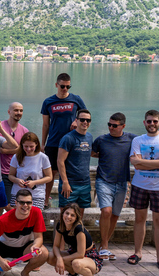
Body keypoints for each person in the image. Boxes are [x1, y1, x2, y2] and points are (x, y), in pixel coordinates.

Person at [128, 110, 159, 270]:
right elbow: (136, 165)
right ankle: (137, 252)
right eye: (149, 121)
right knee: (139, 220)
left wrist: (147, 162)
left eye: (155, 121)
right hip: (140, 185)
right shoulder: (137, 140)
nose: (152, 124)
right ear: (144, 123)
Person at [91, 112, 138, 261]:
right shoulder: (101, 140)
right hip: (103, 180)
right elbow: (91, 152)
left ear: (123, 126)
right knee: (106, 211)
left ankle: (103, 246)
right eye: (109, 124)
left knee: (115, 215)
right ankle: (104, 246)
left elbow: (150, 141)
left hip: (122, 182)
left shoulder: (131, 139)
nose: (111, 127)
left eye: (114, 125)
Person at [41, 73, 87, 207]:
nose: (65, 89)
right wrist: (43, 143)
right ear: (56, 85)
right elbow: (45, 125)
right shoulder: (48, 101)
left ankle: (70, 201)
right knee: (51, 172)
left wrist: (76, 121)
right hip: (54, 142)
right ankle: (45, 200)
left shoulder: (76, 99)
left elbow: (85, 116)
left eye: (68, 86)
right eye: (62, 86)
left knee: (69, 171)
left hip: (72, 142)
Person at [48, 203, 102, 276]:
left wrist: (61, 259)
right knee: (50, 256)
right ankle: (73, 273)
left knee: (76, 263)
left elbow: (80, 254)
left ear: (76, 217)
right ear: (62, 213)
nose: (68, 217)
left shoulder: (79, 229)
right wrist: (59, 258)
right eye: (67, 213)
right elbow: (56, 246)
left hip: (90, 256)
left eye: (72, 215)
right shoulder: (60, 225)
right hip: (73, 252)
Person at [57, 109, 94, 208]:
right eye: (82, 119)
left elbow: (90, 153)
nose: (85, 122)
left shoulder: (89, 137)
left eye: (88, 120)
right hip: (70, 184)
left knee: (80, 216)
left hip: (85, 183)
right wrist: (65, 182)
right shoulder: (68, 138)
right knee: (65, 214)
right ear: (76, 120)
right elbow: (60, 161)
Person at [6, 132, 53, 209]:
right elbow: (10, 175)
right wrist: (17, 180)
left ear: (36, 144)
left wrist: (34, 182)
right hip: (18, 193)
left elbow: (49, 177)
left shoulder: (43, 157)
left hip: (37, 194)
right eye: (26, 146)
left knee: (34, 217)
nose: (28, 149)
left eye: (31, 146)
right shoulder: (16, 157)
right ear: (22, 145)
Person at [0, 102, 29, 205]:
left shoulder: (24, 130)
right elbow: (0, 149)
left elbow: (26, 151)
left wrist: (10, 150)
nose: (18, 113)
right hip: (2, 171)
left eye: (21, 110)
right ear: (9, 112)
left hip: (19, 172)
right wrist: (18, 149)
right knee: (6, 204)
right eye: (16, 110)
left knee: (18, 202)